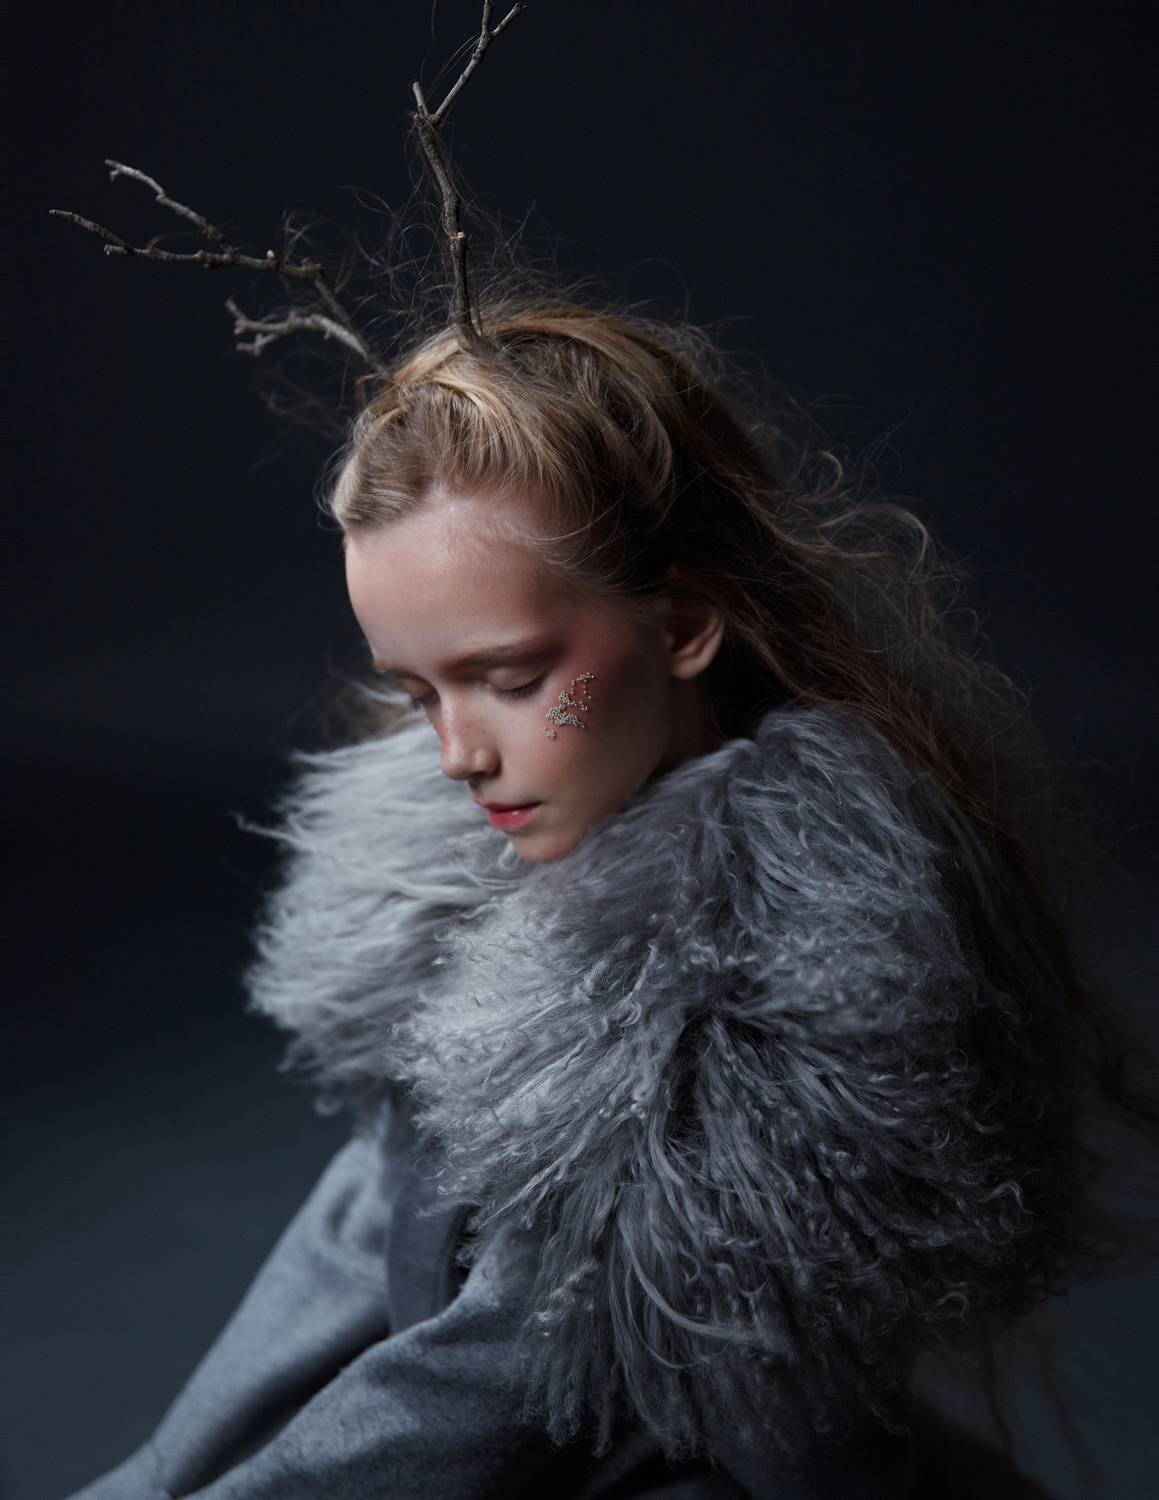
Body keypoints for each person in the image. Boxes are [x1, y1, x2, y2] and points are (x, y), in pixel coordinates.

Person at [66, 295, 1158, 1499]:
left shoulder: (766, 981)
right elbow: (370, 1220)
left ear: (681, 624)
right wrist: (151, 1477)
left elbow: (493, 1384)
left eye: (510, 678)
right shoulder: (472, 875)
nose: (455, 753)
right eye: (419, 693)